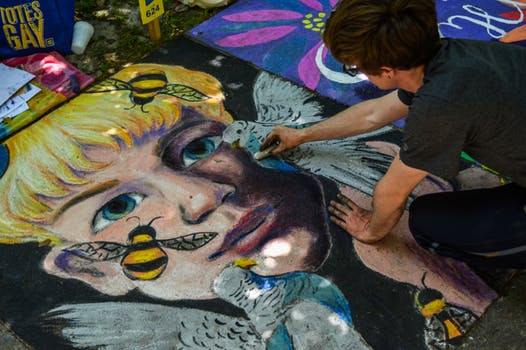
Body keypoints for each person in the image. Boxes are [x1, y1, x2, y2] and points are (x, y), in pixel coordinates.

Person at [260, 0, 526, 268]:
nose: (358, 72)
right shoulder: (451, 57)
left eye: (354, 67)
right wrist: (302, 134)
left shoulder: (440, 107)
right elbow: (373, 114)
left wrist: (371, 230)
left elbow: (393, 191)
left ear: (387, 71)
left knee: (427, 224)